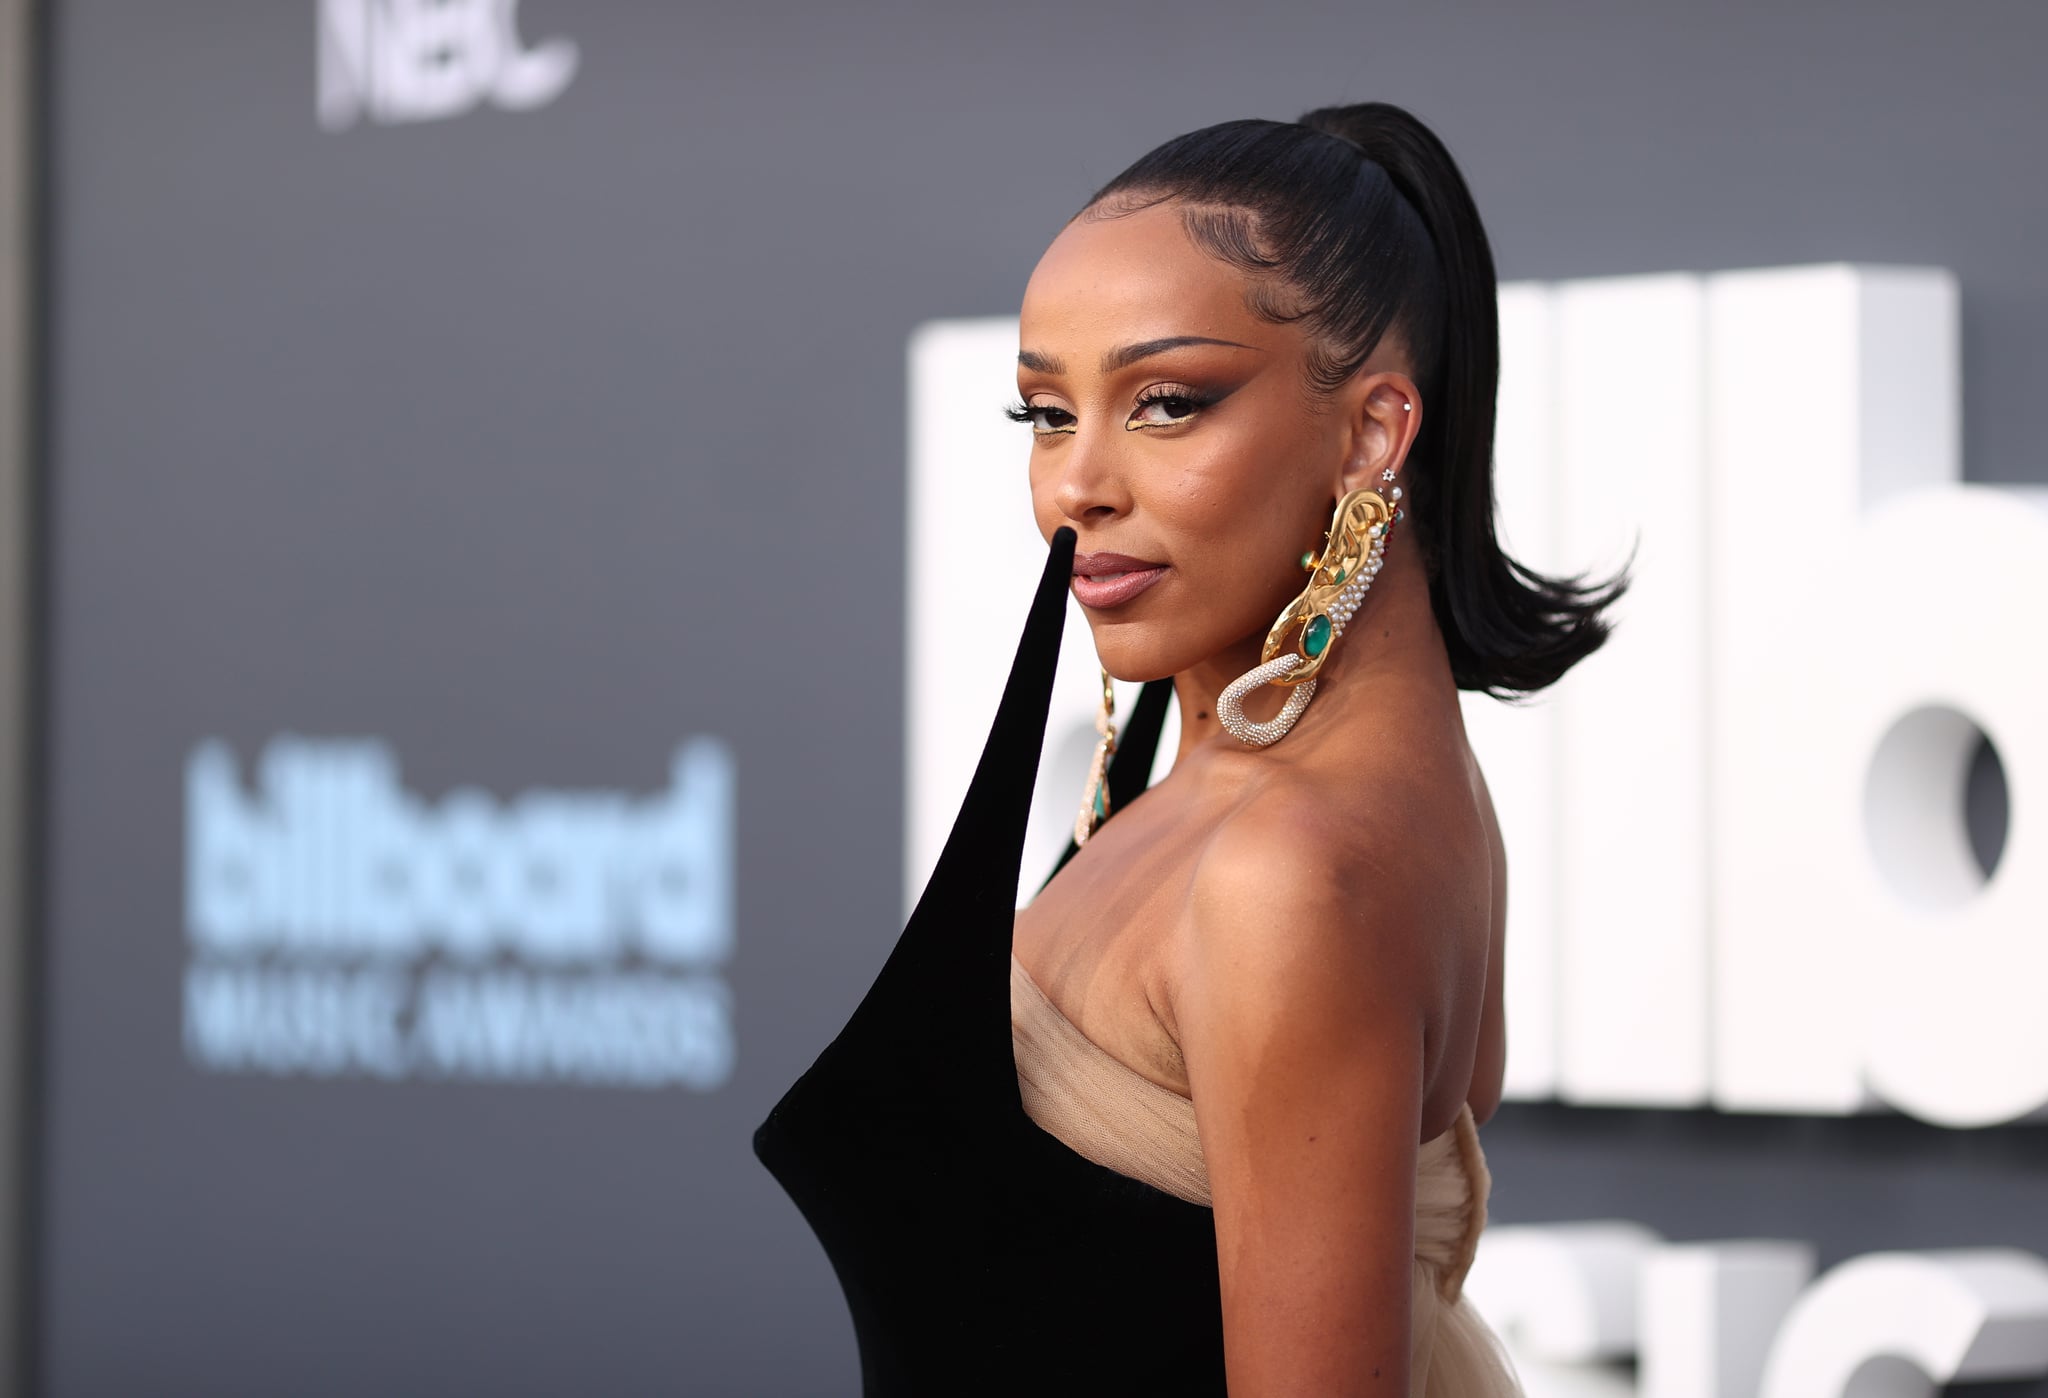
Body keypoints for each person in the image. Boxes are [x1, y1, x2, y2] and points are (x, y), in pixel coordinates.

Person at [755, 101, 1626, 1397]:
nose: (1075, 486)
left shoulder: (1287, 868)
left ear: (1372, 433)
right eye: (1044, 415)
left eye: (1166, 403)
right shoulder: (1254, 762)